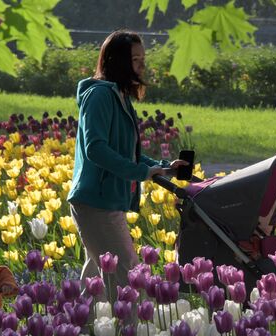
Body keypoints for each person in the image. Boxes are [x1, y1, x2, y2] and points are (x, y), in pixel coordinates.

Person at [67, 30, 188, 302]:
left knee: (97, 283)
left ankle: (76, 335)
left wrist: (164, 167)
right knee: (129, 279)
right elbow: (95, 149)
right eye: (135, 59)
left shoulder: (120, 96)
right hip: (97, 202)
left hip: (107, 200)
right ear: (118, 61)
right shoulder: (99, 96)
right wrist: (140, 172)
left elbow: (127, 153)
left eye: (143, 58)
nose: (142, 65)